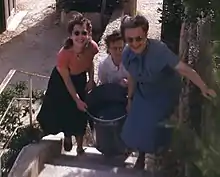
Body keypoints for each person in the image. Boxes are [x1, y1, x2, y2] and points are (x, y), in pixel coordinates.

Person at [120, 14, 217, 169]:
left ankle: (160, 158)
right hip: (144, 90)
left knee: (154, 126)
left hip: (163, 92)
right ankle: (142, 155)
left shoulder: (159, 51)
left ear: (146, 35)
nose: (135, 43)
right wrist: (130, 98)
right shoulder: (127, 54)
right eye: (129, 40)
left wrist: (203, 87)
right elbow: (132, 75)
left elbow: (185, 70)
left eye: (139, 38)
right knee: (135, 123)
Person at [37, 13, 99, 154]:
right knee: (65, 109)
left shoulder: (92, 47)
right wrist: (76, 99)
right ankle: (67, 136)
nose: (80, 36)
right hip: (61, 82)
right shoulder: (63, 54)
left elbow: (90, 62)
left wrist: (91, 79)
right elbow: (66, 80)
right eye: (76, 33)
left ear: (89, 34)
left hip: (80, 78)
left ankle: (80, 147)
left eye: (84, 32)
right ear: (71, 35)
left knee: (81, 112)